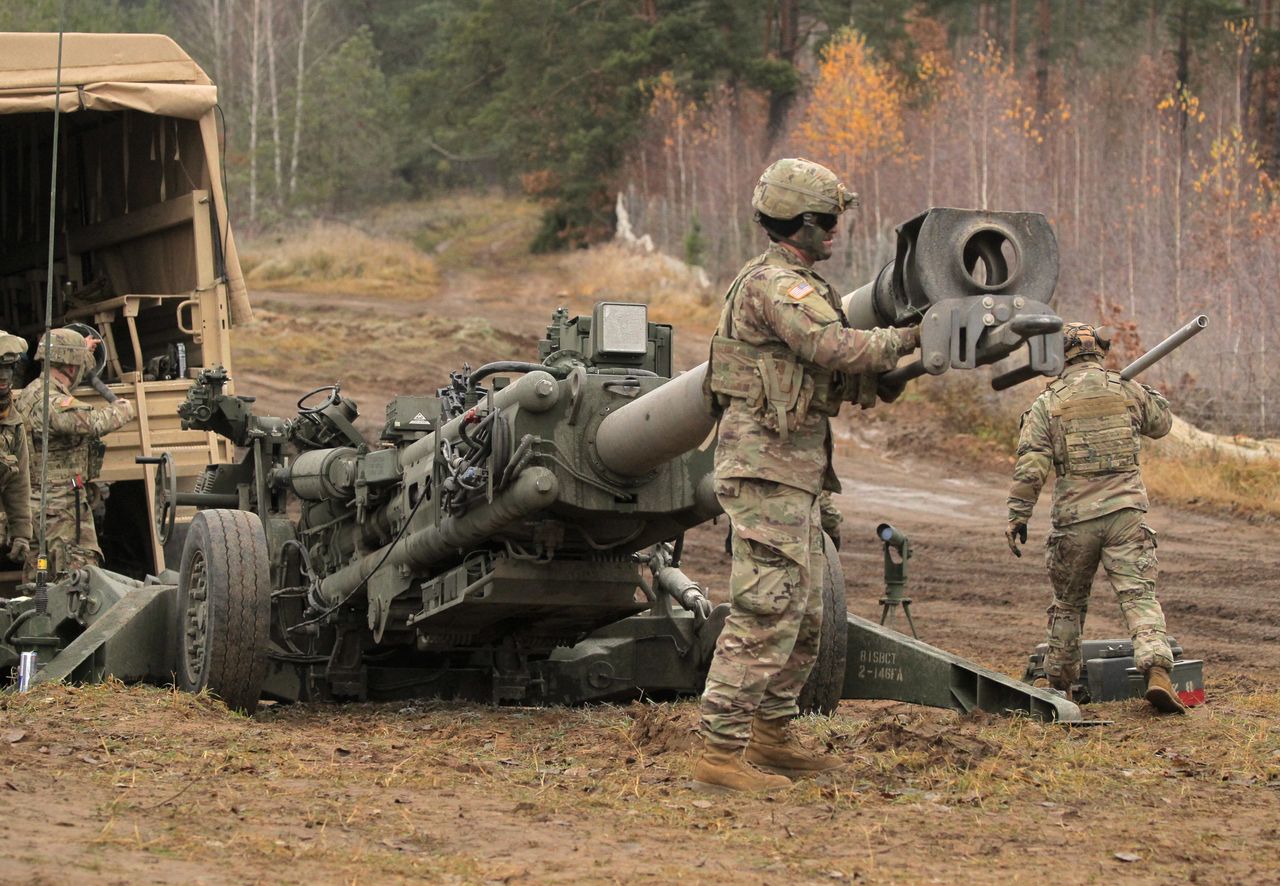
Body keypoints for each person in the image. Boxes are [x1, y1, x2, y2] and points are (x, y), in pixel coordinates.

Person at [696, 158, 920, 793]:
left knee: (807, 614)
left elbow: (838, 374)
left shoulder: (805, 285)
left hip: (797, 472)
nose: (836, 232)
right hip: (765, 469)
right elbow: (833, 348)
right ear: (801, 222)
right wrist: (908, 339)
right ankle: (720, 749)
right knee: (765, 608)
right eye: (828, 222)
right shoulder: (777, 286)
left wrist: (904, 365)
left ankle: (771, 734)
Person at [1005, 322, 1183, 714]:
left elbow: (1031, 466)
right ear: (1098, 351)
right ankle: (1157, 671)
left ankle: (1060, 687)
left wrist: (1018, 516)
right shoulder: (1126, 388)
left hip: (1075, 521)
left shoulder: (1047, 403)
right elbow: (1162, 423)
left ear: (1062, 356)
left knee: (1068, 605)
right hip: (1125, 515)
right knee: (1139, 595)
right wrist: (1140, 387)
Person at [15, 327, 134, 581]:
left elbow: (73, 370)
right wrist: (123, 409)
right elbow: (93, 422)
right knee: (76, 580)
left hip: (42, 507)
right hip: (60, 512)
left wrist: (82, 351)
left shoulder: (31, 392)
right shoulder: (52, 402)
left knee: (41, 581)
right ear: (70, 366)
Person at [0, 331, 32, 572]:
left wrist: (21, 533)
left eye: (9, 368)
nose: (4, 376)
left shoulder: (11, 421)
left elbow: (18, 481)